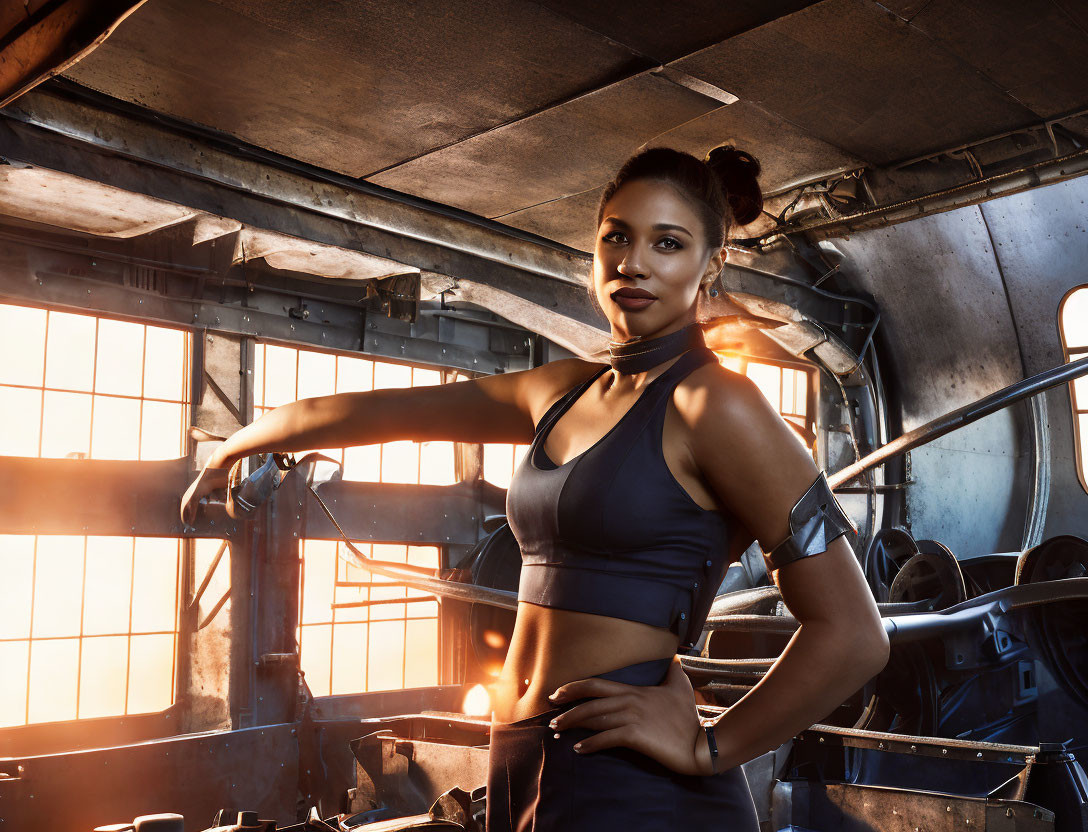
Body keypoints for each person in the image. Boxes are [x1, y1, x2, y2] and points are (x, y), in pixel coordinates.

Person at [180, 145, 889, 831]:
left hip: (633, 786)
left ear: (712, 265)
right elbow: (393, 412)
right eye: (617, 237)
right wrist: (241, 442)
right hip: (520, 757)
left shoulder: (718, 405)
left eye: (667, 243)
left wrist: (714, 745)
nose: (632, 262)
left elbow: (855, 635)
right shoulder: (562, 390)